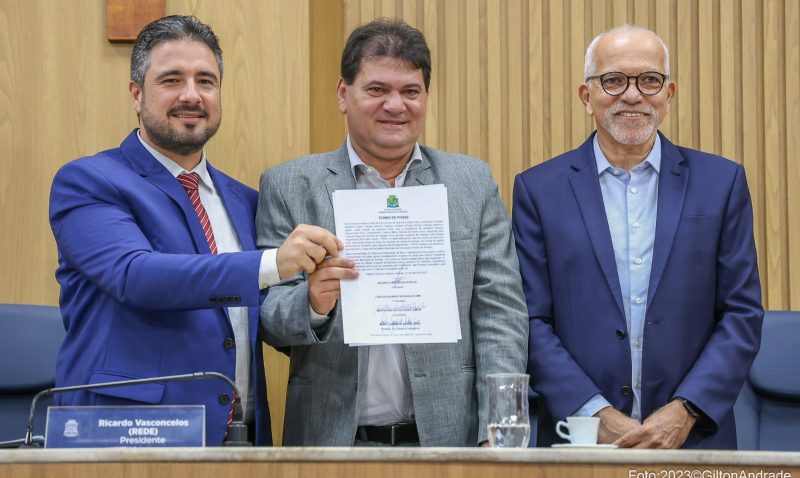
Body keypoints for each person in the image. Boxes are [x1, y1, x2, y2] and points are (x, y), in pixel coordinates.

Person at [48, 15, 341, 446]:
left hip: (240, 440)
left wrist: (314, 303)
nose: (192, 95)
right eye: (172, 80)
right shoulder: (88, 182)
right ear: (136, 93)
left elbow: (260, 313)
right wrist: (271, 263)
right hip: (126, 439)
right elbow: (137, 276)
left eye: (206, 81)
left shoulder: (245, 201)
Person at [256, 18, 528, 447]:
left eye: (410, 91)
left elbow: (501, 313)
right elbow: (268, 318)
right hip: (332, 443)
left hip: (450, 442)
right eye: (377, 89)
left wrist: (500, 429)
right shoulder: (289, 186)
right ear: (344, 95)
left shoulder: (471, 183)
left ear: (425, 97)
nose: (395, 105)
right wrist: (312, 303)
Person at [512, 25, 763, 449]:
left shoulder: (721, 183)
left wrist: (686, 409)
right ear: (586, 96)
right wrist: (596, 414)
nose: (632, 95)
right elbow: (529, 320)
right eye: (613, 80)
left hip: (693, 438)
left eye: (650, 80)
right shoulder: (539, 190)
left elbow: (741, 313)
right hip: (577, 439)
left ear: (669, 94)